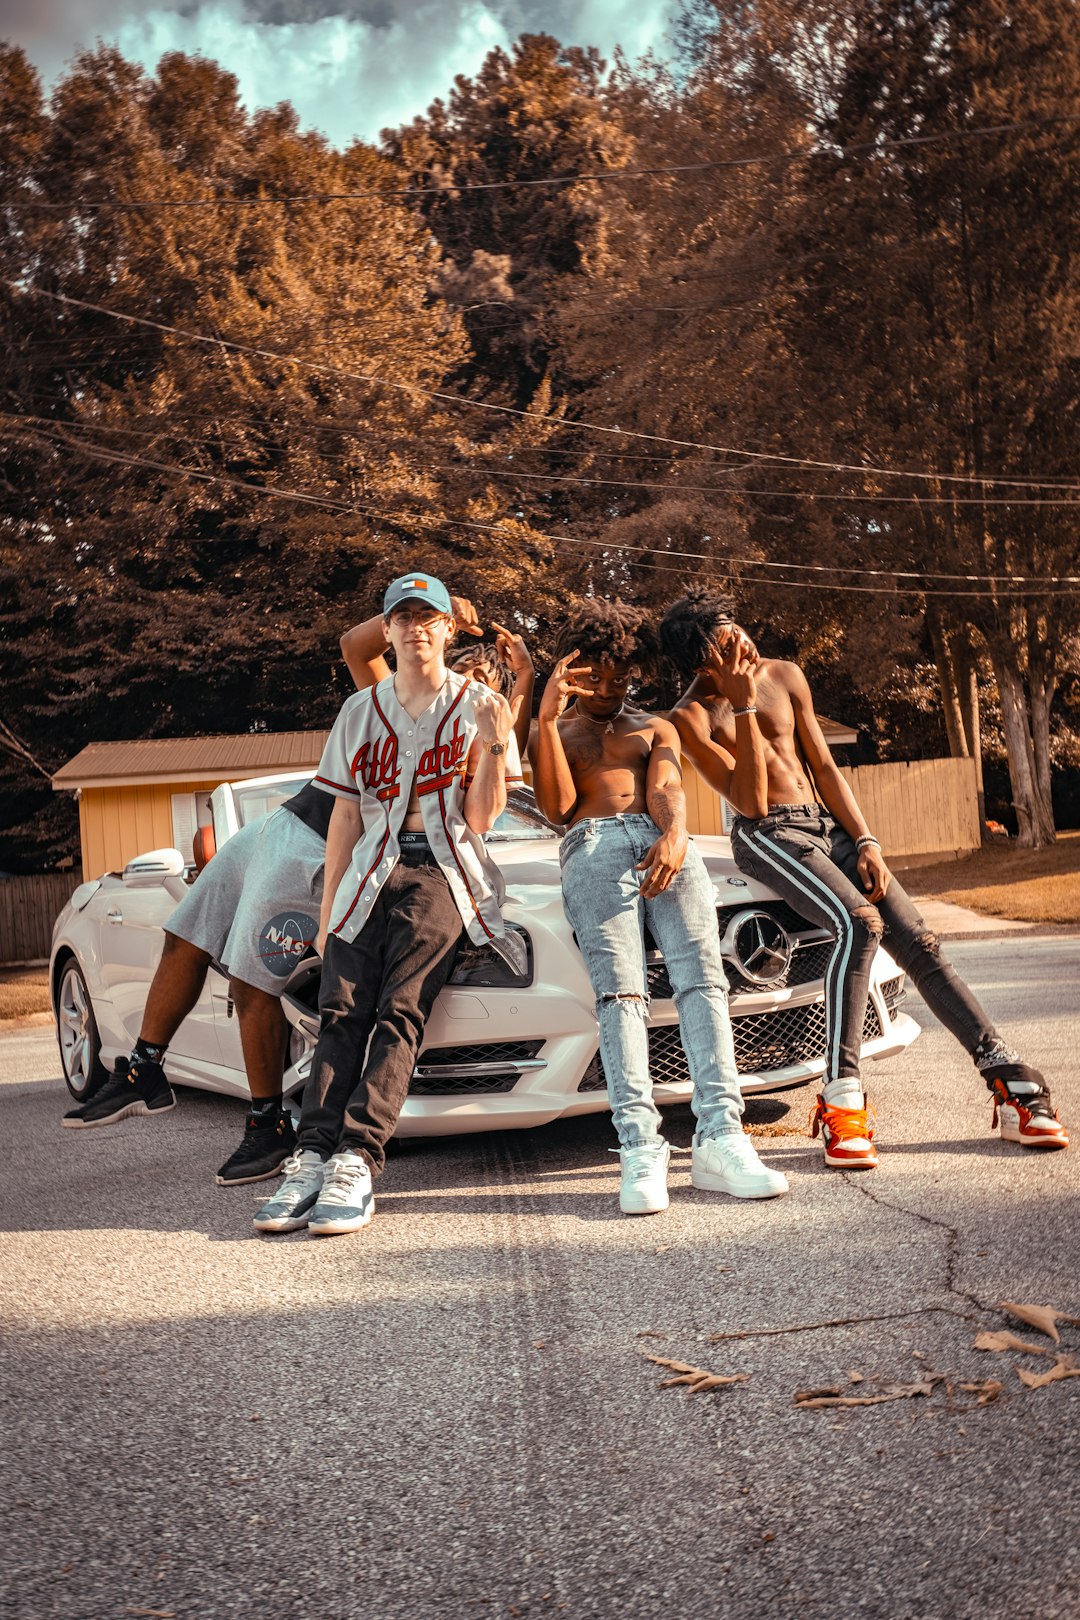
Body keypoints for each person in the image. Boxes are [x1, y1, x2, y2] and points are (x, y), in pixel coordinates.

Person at [62, 591, 516, 1187]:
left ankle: (269, 1122)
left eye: (489, 675)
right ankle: (144, 1068)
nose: (474, 675)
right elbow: (356, 645)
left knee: (254, 976)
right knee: (187, 931)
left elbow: (480, 812)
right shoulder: (384, 695)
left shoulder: (477, 722)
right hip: (284, 823)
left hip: (340, 852)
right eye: (473, 663)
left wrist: (505, 712)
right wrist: (432, 605)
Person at [660, 587, 1069, 1166]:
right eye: (728, 646)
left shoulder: (785, 673)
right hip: (770, 836)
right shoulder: (691, 717)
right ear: (703, 661)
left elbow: (824, 766)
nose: (745, 648)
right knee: (859, 922)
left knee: (921, 942)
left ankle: (1007, 1080)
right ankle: (841, 1098)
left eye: (740, 633)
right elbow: (750, 802)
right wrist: (744, 705)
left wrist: (868, 839)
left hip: (830, 827)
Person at [254, 571, 526, 1237]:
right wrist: (327, 920)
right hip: (367, 874)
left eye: (426, 616)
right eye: (401, 618)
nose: (414, 628)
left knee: (400, 1012)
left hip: (440, 871)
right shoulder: (359, 711)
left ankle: (356, 1159)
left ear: (447, 627)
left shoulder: (480, 705)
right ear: (391, 629)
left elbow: (483, 819)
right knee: (339, 1011)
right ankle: (311, 1156)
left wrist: (493, 739)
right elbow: (345, 818)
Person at [530, 598, 788, 1215]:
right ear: (576, 666)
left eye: (624, 676)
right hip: (592, 848)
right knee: (621, 996)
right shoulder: (556, 731)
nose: (612, 687)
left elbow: (667, 788)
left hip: (665, 845)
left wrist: (674, 835)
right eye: (599, 674)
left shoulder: (654, 726)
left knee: (703, 982)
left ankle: (721, 1138)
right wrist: (542, 719)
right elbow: (558, 809)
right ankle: (640, 1146)